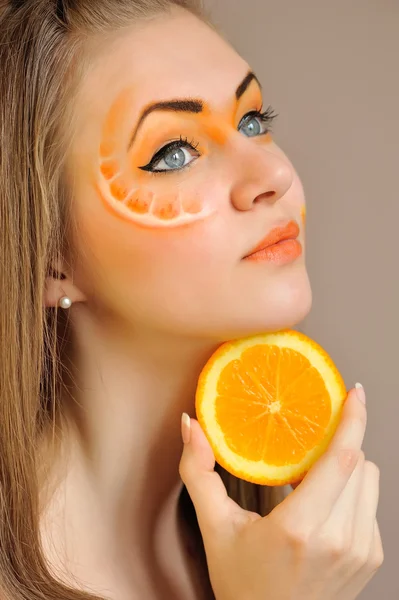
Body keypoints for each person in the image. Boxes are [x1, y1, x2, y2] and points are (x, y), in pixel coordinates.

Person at [0, 1, 383, 599]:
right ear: (51, 256)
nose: (274, 175)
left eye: (254, 120)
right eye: (174, 152)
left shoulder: (271, 548)